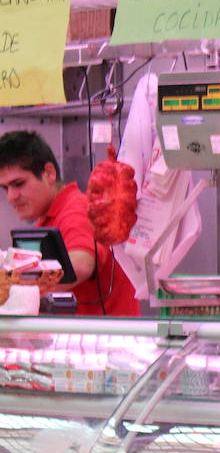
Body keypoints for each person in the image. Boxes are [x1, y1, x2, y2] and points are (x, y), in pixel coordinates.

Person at [0, 130, 139, 316]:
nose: (11, 197)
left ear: (49, 173)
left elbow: (80, 266)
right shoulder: (48, 219)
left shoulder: (75, 210)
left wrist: (13, 282)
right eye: (5, 188)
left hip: (104, 339)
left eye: (19, 184)